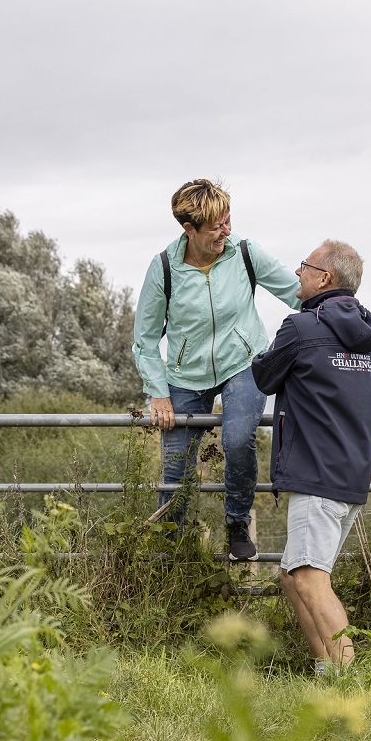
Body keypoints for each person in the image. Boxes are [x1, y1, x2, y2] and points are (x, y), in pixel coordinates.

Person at [132, 179, 301, 559]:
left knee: (238, 439)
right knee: (176, 464)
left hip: (242, 363)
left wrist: (336, 305)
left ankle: (237, 522)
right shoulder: (163, 268)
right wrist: (158, 392)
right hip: (184, 375)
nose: (225, 231)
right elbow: (144, 338)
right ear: (188, 229)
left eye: (228, 221)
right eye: (215, 227)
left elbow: (295, 292)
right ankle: (168, 545)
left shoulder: (243, 252)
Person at [249, 239, 371, 669]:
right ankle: (327, 668)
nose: (297, 274)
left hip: (316, 470)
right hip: (351, 471)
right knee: (293, 574)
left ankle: (349, 683)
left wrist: (252, 354)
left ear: (324, 277)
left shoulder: (301, 327)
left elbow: (266, 376)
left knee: (308, 577)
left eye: (303, 266)